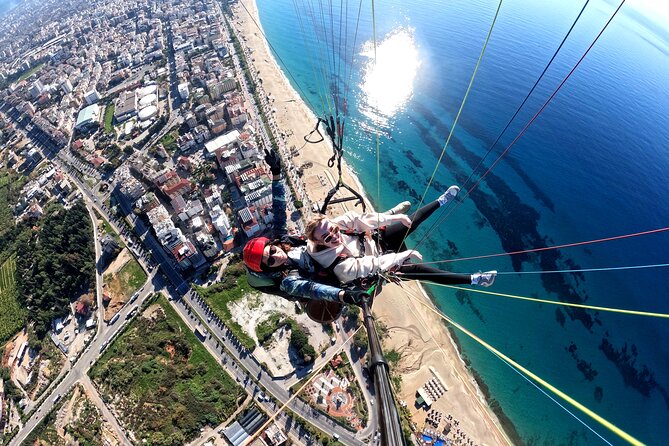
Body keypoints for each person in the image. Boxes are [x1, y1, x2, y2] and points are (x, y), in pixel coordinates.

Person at [242, 149, 404, 305]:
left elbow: (279, 211)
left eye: (270, 251)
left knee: (335, 226)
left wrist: (276, 174)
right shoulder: (288, 280)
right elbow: (312, 289)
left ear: (272, 245)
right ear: (269, 268)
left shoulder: (283, 241)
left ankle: (383, 219)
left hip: (324, 250)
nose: (275, 256)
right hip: (334, 271)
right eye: (270, 261)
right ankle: (387, 239)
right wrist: (343, 296)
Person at [305, 186, 497, 287]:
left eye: (334, 230)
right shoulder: (339, 266)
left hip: (378, 241)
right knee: (420, 270)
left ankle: (441, 201)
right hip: (382, 264)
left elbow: (361, 219)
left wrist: (393, 218)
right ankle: (475, 280)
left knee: (410, 220)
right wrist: (402, 255)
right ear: (321, 243)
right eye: (328, 238)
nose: (335, 236)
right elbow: (373, 265)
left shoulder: (335, 224)